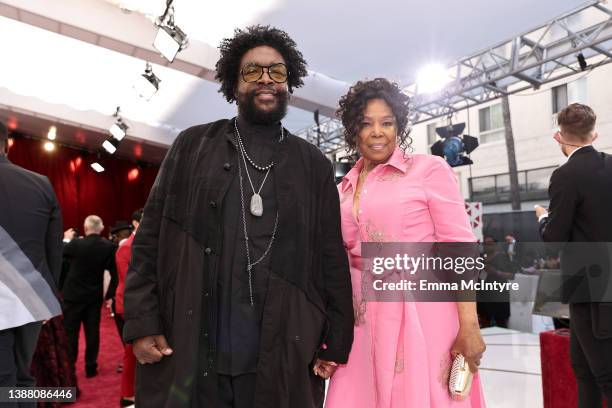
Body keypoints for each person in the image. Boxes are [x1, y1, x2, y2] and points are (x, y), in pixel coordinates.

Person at [123, 25, 354, 407]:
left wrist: (336, 338)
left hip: (284, 350)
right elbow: (149, 240)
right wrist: (143, 322)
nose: (266, 79)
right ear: (233, 83)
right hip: (193, 344)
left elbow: (332, 255)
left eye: (277, 72)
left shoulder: (312, 163)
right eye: (253, 71)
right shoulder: (193, 146)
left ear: (289, 82)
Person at [324, 79, 486, 407]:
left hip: (421, 316)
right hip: (360, 323)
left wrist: (470, 325)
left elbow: (459, 247)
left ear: (399, 126)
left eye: (387, 122)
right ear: (353, 130)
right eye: (366, 124)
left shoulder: (428, 170)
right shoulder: (342, 187)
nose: (377, 132)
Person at [535, 102, 612, 407]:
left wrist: (542, 217)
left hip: (590, 288)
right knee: (583, 369)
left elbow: (553, 239)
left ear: (559, 136)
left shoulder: (566, 175)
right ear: (594, 134)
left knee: (605, 375)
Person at [0, 121, 63, 405]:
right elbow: (54, 250)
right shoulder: (41, 183)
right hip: (31, 295)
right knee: (23, 376)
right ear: (7, 144)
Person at [61, 215, 116, 378]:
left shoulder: (76, 244)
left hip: (73, 296)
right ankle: (91, 367)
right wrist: (110, 293)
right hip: (93, 296)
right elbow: (115, 273)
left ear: (85, 228)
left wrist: (65, 239)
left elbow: (59, 253)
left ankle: (69, 368)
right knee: (93, 332)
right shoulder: (108, 246)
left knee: (71, 333)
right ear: (101, 228)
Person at [114, 209, 143, 407]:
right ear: (135, 223)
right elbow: (130, 282)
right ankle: (128, 395)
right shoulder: (127, 247)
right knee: (131, 351)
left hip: (138, 303)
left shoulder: (141, 243)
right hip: (130, 305)